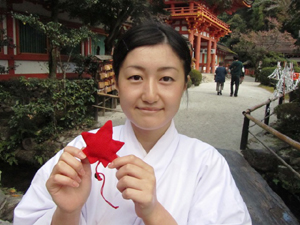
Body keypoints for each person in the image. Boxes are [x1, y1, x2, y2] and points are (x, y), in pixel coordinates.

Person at [14, 21, 252, 225]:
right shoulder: (80, 154)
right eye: (135, 77)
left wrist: (153, 212)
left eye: (166, 78)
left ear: (184, 84)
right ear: (116, 81)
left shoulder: (206, 165)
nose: (149, 95)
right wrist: (67, 212)